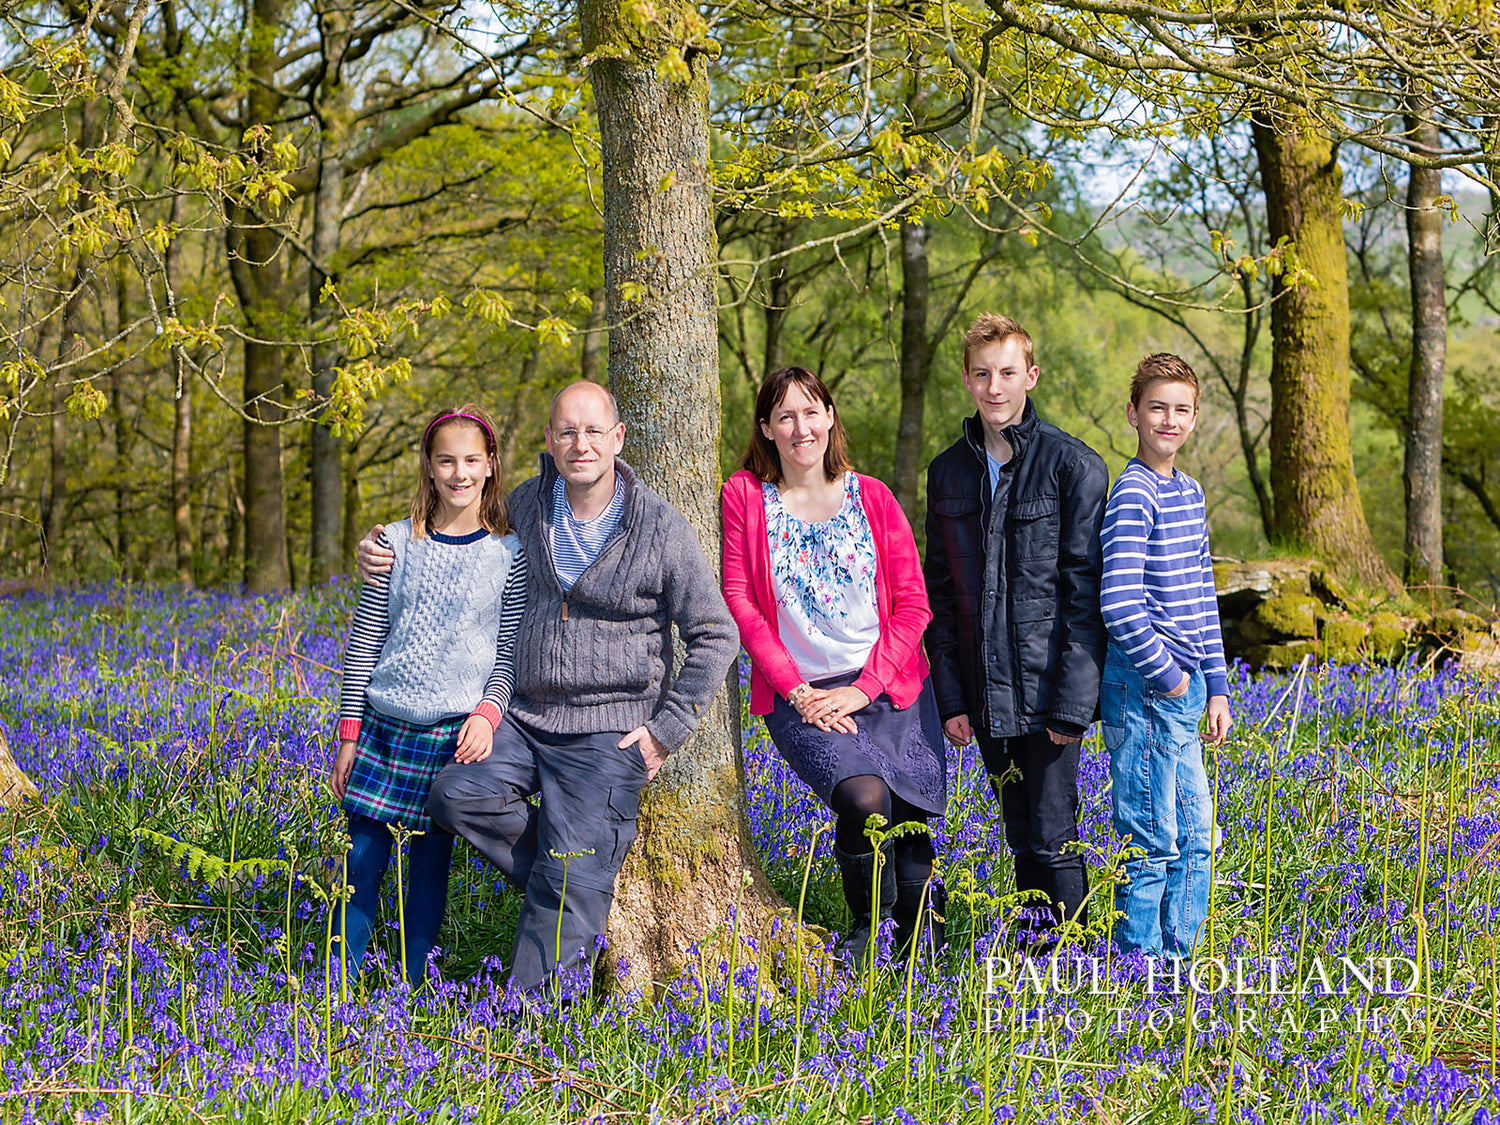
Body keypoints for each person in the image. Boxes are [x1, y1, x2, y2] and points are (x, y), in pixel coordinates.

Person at [357, 381, 738, 998]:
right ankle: (572, 883)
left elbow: (715, 634)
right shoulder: (526, 506)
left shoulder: (660, 528)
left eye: (593, 431)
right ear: (549, 441)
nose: (580, 444)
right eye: (566, 431)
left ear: (618, 439)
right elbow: (455, 537)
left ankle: (535, 1027)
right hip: (525, 718)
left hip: (607, 734)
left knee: (569, 882)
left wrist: (667, 732)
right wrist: (383, 549)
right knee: (454, 794)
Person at [722, 367, 946, 962]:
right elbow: (740, 602)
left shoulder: (872, 496)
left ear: (830, 417)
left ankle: (923, 947)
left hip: (892, 690)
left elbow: (914, 605)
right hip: (804, 697)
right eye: (786, 416)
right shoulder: (744, 497)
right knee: (865, 800)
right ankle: (870, 931)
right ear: (766, 428)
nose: (802, 428)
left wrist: (865, 688)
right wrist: (797, 691)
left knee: (910, 827)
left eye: (812, 412)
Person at [923, 313, 1109, 946]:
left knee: (1054, 834)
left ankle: (1075, 972)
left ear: (1030, 375)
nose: (995, 386)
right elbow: (940, 595)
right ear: (968, 380)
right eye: (982, 374)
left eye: (1007, 372)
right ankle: (1033, 964)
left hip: (1050, 688)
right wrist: (953, 698)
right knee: (1017, 832)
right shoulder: (947, 473)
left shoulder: (1073, 466)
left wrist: (1073, 703)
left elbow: (1086, 595)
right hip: (984, 690)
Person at [330, 404, 527, 988]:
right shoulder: (393, 543)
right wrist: (348, 734)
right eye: (447, 461)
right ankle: (335, 991)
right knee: (360, 865)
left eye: (471, 461)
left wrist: (489, 715)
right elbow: (365, 642)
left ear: (491, 466)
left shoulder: (508, 554)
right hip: (384, 729)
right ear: (429, 467)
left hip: (452, 735)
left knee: (429, 870)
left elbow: (507, 652)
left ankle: (413, 988)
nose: (459, 473)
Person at [1100, 353, 1233, 959]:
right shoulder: (1133, 492)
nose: (1169, 419)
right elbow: (1120, 603)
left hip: (1186, 687)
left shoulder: (1188, 491)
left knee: (1198, 839)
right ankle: (1137, 974)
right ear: (1133, 413)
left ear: (1196, 417)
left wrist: (1216, 685)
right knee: (1152, 838)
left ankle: (1180, 969)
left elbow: (1202, 592)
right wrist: (1172, 679)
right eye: (1157, 407)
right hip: (1145, 686)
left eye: (1181, 409)